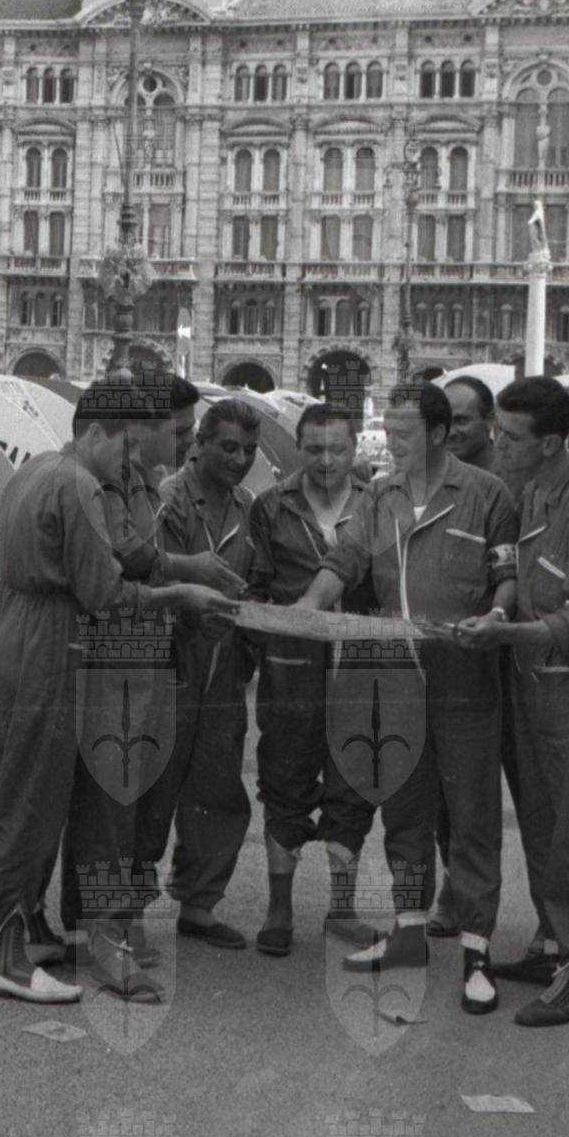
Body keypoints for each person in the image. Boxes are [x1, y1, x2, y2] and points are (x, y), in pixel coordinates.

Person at [0, 377, 231, 1004]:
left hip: (15, 631)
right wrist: (181, 594)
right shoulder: (82, 487)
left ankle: (32, 928)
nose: (132, 464)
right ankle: (7, 957)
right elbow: (109, 596)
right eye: (128, 449)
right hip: (51, 645)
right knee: (34, 801)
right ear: (96, 432)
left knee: (31, 789)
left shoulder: (36, 469)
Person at [298, 382, 517, 1016]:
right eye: (388, 430)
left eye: (402, 433)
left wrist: (497, 617)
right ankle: (410, 931)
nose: (389, 443)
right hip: (394, 679)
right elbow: (345, 561)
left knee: (472, 817)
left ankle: (477, 951)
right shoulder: (379, 494)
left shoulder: (487, 495)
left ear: (440, 434)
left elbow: (506, 577)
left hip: (464, 679)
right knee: (405, 811)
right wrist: (310, 604)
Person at [456, 377, 569, 1027]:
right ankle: (554, 945)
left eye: (509, 436)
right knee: (540, 825)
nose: (497, 444)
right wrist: (499, 621)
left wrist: (505, 634)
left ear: (552, 442)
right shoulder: (527, 490)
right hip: (527, 683)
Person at [248, 403, 376, 954]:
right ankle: (279, 909)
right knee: (284, 781)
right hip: (292, 671)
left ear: (355, 449)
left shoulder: (376, 503)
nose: (326, 460)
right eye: (315, 449)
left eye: (338, 449)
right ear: (298, 448)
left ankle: (342, 909)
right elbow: (256, 586)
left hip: (359, 671)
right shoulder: (271, 506)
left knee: (354, 784)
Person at [154, 396, 261, 950]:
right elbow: (148, 577)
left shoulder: (248, 508)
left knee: (217, 788)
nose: (240, 460)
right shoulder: (168, 500)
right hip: (171, 662)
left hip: (224, 669)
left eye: (249, 450)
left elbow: (256, 580)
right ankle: (121, 915)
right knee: (151, 788)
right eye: (228, 448)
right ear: (200, 444)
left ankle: (198, 904)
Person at [428, 374, 499, 938]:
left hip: (516, 657)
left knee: (522, 796)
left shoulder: (512, 482)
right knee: (450, 791)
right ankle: (455, 889)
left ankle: (553, 927)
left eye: (464, 420)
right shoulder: (433, 480)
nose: (452, 430)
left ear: (489, 422)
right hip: (459, 662)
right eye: (445, 420)